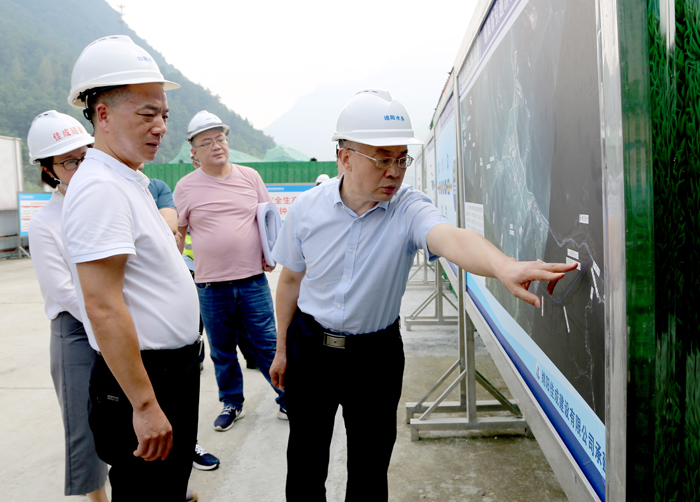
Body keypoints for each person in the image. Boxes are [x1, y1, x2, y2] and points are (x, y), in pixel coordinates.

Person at [269, 89, 577, 502]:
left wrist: (503, 266)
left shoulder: (408, 208)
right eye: (382, 159)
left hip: (374, 358)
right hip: (311, 349)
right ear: (345, 157)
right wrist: (281, 349)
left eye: (401, 159)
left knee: (370, 472)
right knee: (305, 466)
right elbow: (290, 281)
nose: (394, 172)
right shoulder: (307, 210)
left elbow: (450, 237)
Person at [62, 35, 200, 501]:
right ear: (102, 114)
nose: (160, 126)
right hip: (147, 379)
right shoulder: (101, 188)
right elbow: (102, 305)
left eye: (164, 115)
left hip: (167, 373)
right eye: (146, 114)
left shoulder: (127, 179)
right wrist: (144, 405)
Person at [174, 110, 286, 431]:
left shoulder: (250, 177)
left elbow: (268, 218)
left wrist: (271, 254)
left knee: (268, 345)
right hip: (210, 286)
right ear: (194, 152)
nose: (216, 145)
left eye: (220, 138)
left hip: (252, 280)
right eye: (206, 141)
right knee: (222, 351)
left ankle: (287, 397)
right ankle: (232, 402)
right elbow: (179, 233)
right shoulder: (185, 187)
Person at [26, 110, 109, 502]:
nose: (81, 166)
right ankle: (98, 498)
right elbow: (63, 290)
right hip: (75, 330)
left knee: (132, 413)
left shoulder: (106, 201)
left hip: (118, 318)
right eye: (69, 162)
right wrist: (108, 321)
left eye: (85, 156)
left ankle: (148, 486)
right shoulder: (45, 222)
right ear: (48, 169)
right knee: (84, 422)